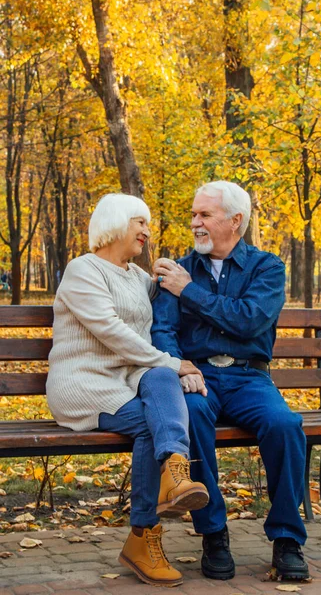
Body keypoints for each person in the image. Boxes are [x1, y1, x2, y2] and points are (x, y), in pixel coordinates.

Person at [46, 193, 209, 588]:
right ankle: (144, 536)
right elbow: (113, 332)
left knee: (160, 379)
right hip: (83, 385)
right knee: (155, 413)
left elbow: (163, 322)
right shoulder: (82, 271)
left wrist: (175, 278)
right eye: (140, 223)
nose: (147, 232)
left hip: (126, 382)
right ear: (116, 222)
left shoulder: (139, 278)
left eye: (147, 225)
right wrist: (173, 363)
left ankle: (175, 472)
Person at [151, 181, 309, 581]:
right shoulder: (179, 268)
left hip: (248, 378)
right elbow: (164, 329)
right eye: (193, 215)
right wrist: (181, 365)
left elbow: (250, 321)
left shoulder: (266, 267)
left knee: (286, 425)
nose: (195, 223)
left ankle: (287, 540)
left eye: (205, 215)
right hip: (198, 376)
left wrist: (190, 292)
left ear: (235, 220)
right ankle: (214, 534)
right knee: (192, 416)